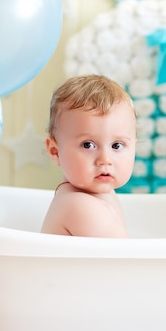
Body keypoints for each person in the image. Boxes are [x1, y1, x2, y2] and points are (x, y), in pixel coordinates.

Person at [41, 74, 137, 237]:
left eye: (116, 145)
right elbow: (126, 260)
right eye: (88, 145)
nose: (105, 160)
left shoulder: (103, 194)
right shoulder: (79, 206)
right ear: (55, 151)